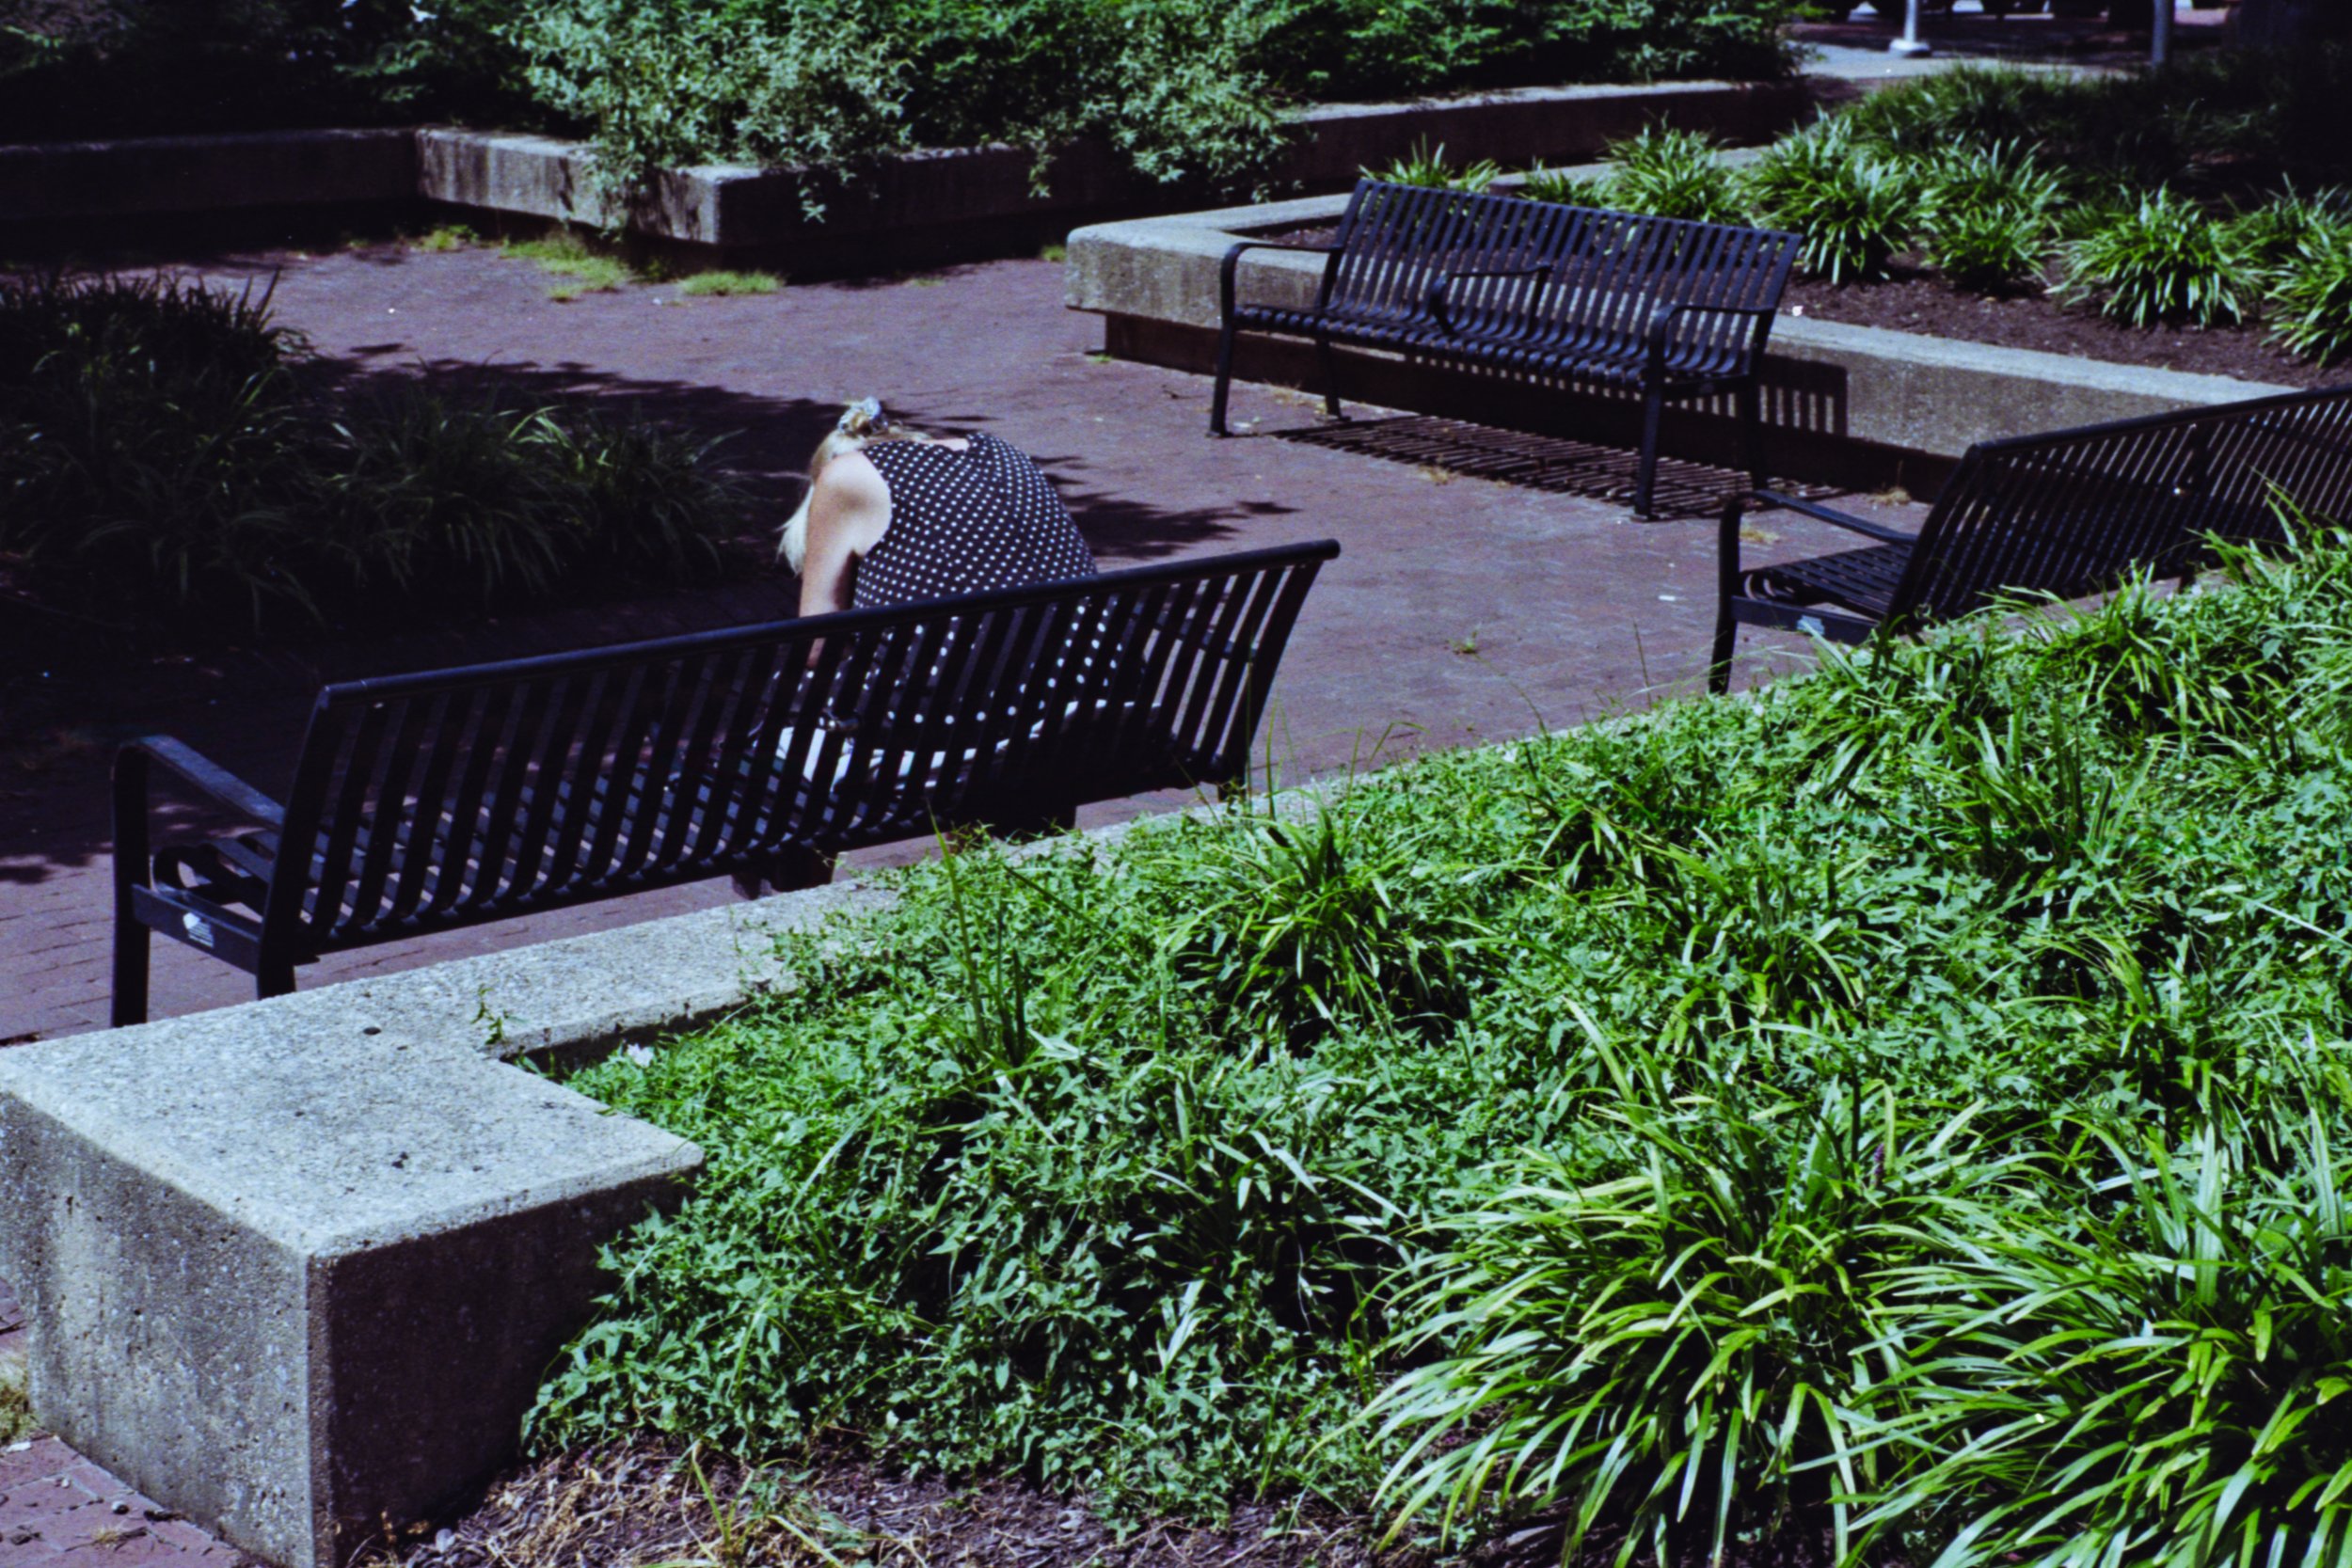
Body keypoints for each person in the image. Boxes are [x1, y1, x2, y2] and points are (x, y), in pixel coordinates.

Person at [780, 398, 1096, 615]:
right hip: (1108, 683)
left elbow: (819, 646)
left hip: (970, 704)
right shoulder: (999, 453)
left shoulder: (844, 477)